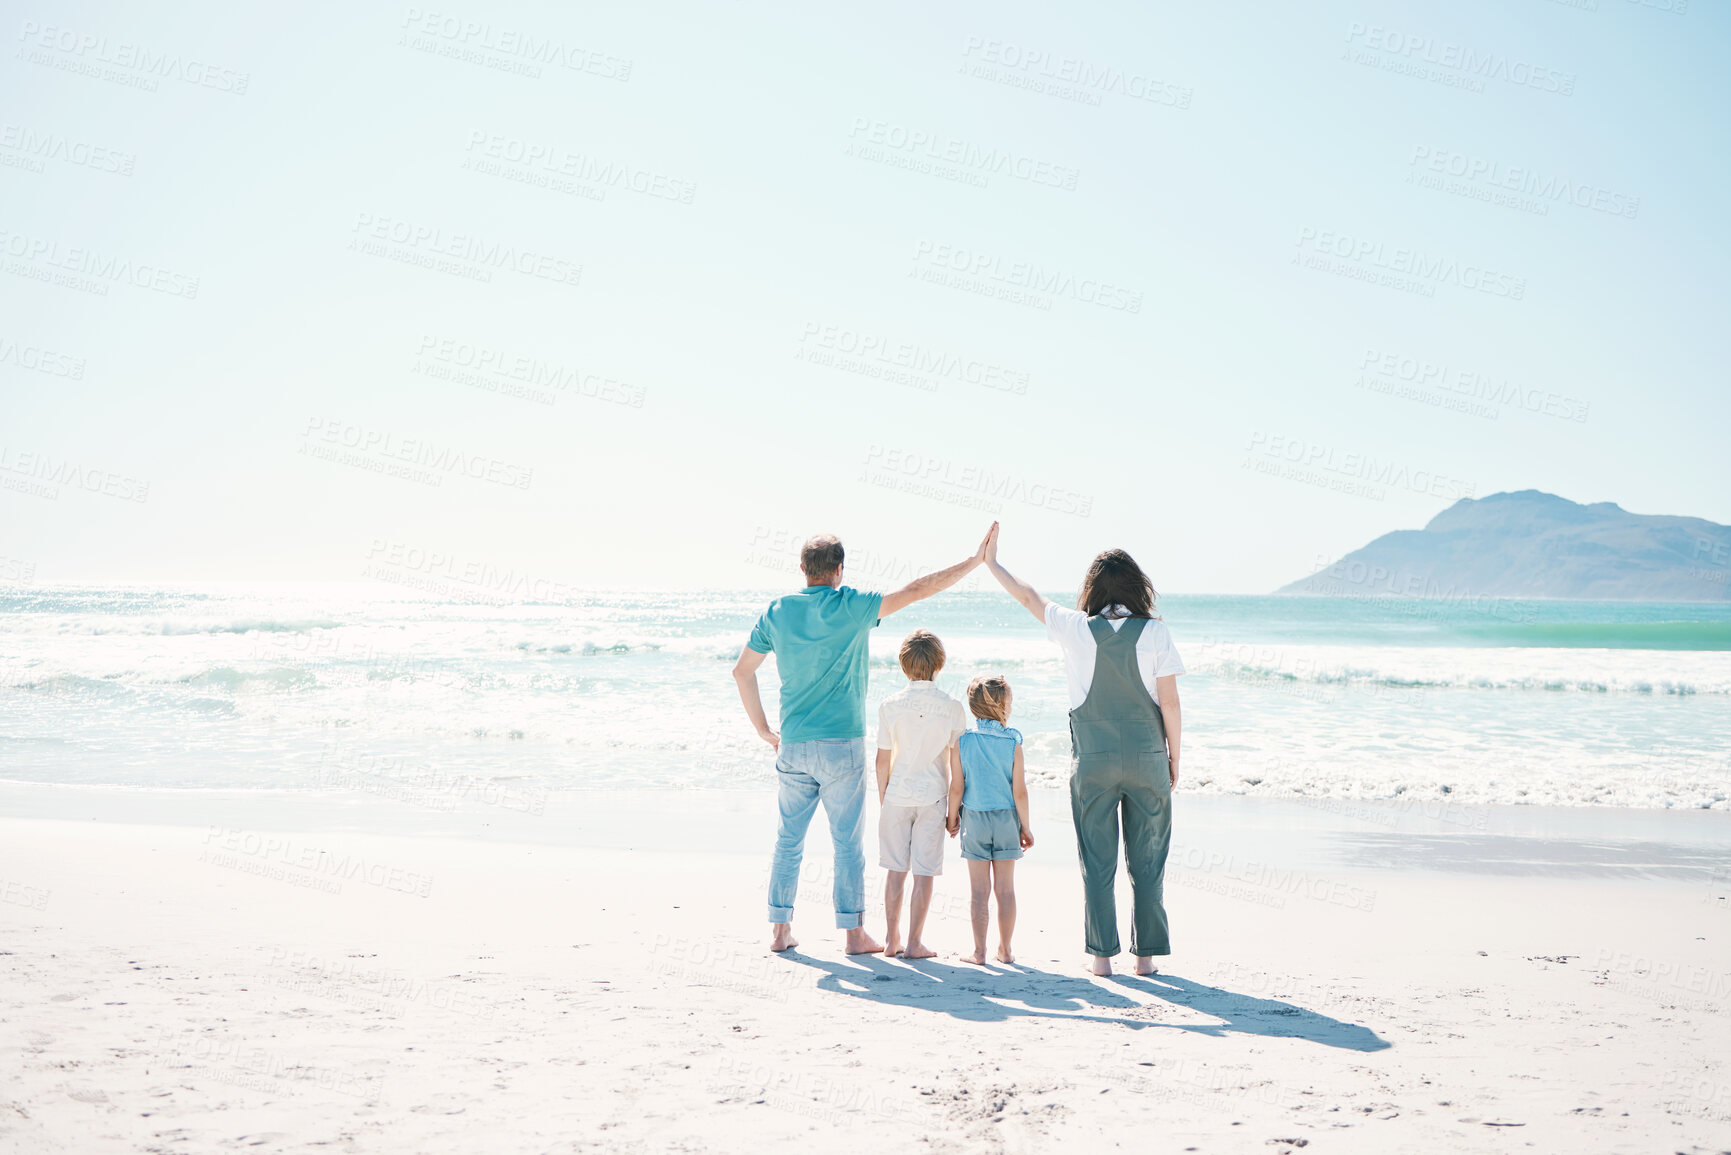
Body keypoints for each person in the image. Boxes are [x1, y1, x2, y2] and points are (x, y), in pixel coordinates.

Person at [733, 523, 998, 954]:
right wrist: (973, 562)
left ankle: (780, 932)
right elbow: (917, 590)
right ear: (839, 569)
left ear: (802, 568)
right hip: (842, 746)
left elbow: (742, 671)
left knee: (788, 840)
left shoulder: (776, 611)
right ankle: (853, 934)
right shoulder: (852, 605)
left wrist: (764, 731)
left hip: (794, 744)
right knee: (846, 844)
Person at [982, 534, 1183, 977]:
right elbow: (1169, 703)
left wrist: (992, 563)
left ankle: (1101, 959)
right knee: (1147, 860)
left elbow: (1028, 597)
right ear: (1137, 587)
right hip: (1148, 756)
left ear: (1092, 589)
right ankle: (1145, 958)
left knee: (1097, 860)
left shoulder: (1075, 628)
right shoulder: (1155, 632)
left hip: (1093, 761)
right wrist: (1173, 757)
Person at [874, 629, 969, 959]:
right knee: (924, 872)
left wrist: (884, 797)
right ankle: (914, 942)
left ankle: (890, 939)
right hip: (933, 797)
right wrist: (954, 811)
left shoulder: (889, 705)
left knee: (895, 870)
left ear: (903, 665)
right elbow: (958, 768)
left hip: (896, 795)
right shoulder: (953, 707)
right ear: (939, 664)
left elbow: (882, 759)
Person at [948, 674, 1033, 966]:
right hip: (1007, 820)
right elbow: (1019, 792)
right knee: (1006, 889)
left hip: (974, 820)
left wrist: (951, 818)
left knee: (979, 891)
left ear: (973, 708)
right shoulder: (1013, 743)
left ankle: (979, 952)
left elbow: (957, 786)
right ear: (1003, 707)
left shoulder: (963, 742)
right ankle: (1006, 950)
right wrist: (1026, 827)